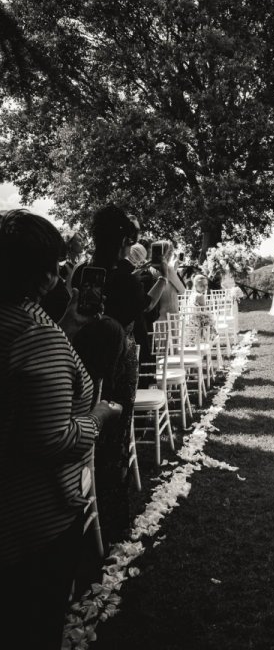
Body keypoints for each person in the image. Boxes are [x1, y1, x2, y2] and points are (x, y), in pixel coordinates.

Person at [0, 210, 121, 650]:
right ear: (45, 273)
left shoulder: (24, 324)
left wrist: (65, 326)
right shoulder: (34, 333)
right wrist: (97, 416)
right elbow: (51, 439)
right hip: (34, 521)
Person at [72, 206, 170, 544]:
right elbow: (139, 312)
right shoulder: (125, 279)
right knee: (114, 435)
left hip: (80, 363)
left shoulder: (81, 271)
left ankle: (82, 500)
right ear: (125, 240)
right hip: (119, 362)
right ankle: (113, 515)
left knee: (84, 431)